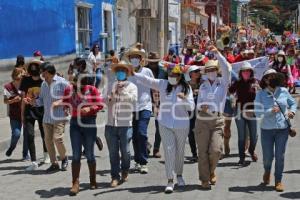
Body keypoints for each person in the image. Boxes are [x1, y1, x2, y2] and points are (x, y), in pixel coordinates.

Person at [133, 62, 195, 193]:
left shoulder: (186, 88)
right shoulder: (163, 84)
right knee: (169, 150)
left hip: (181, 124)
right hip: (164, 123)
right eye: (170, 74)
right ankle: (170, 180)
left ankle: (179, 175)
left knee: (179, 152)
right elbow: (147, 80)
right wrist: (133, 73)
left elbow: (192, 107)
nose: (172, 77)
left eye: (175, 75)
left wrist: (184, 99)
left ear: (180, 76)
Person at [58, 72, 104, 196]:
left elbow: (100, 104)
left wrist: (90, 108)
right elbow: (65, 101)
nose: (81, 88)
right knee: (76, 153)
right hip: (75, 123)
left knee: (89, 153)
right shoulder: (69, 89)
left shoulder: (92, 90)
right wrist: (65, 107)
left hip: (89, 122)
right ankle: (75, 183)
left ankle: (93, 179)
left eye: (83, 86)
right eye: (78, 85)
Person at [194, 45, 231, 189]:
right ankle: (204, 178)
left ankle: (211, 171)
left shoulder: (223, 83)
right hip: (202, 118)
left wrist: (218, 54)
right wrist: (201, 106)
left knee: (216, 150)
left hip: (217, 119)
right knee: (202, 151)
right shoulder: (202, 86)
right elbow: (197, 104)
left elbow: (227, 69)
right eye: (208, 70)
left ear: (217, 71)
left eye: (213, 70)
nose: (211, 72)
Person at [254, 69, 297, 192]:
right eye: (269, 77)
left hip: (282, 129)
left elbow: (293, 103)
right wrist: (270, 111)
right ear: (265, 80)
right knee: (268, 157)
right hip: (266, 130)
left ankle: (278, 180)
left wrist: (292, 111)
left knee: (280, 156)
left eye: (274, 76)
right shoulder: (260, 94)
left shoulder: (283, 91)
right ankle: (267, 171)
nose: (271, 78)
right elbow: (257, 113)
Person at [28, 63, 69, 172]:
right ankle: (54, 163)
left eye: (43, 72)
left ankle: (64, 158)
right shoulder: (43, 84)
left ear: (49, 71)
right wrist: (33, 102)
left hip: (59, 116)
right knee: (48, 141)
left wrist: (59, 102)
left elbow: (70, 97)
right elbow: (41, 100)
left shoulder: (62, 82)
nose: (42, 74)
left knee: (57, 138)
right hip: (46, 118)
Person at [105, 61, 138, 187]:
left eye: (123, 71)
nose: (120, 73)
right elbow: (104, 101)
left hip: (125, 124)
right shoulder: (110, 85)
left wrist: (122, 91)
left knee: (125, 151)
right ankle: (115, 176)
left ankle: (125, 169)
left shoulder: (132, 86)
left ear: (127, 73)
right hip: (110, 124)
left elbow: (133, 101)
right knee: (113, 152)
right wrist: (110, 97)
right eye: (118, 70)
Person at [126, 47, 154, 174]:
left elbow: (154, 86)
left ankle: (143, 162)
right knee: (134, 136)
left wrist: (157, 104)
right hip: (131, 108)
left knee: (141, 133)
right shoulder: (126, 73)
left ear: (141, 59)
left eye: (137, 57)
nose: (135, 59)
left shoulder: (147, 71)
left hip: (145, 106)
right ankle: (137, 159)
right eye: (132, 57)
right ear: (129, 59)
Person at [20, 59, 49, 171]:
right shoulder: (25, 80)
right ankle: (34, 161)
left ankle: (46, 155)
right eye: (31, 67)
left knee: (44, 134)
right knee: (30, 135)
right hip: (29, 112)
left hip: (42, 111)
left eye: (36, 67)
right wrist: (22, 114)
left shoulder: (44, 81)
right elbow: (23, 97)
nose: (33, 69)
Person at [229, 62, 258, 165]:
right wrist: (233, 99)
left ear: (251, 72)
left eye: (248, 71)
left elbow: (260, 94)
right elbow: (230, 92)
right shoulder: (237, 82)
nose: (246, 72)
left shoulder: (255, 82)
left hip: (252, 111)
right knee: (242, 136)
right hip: (239, 111)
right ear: (241, 72)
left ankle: (251, 150)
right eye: (244, 71)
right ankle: (241, 157)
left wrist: (257, 89)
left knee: (254, 136)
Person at [145, 52, 167, 158]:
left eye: (155, 62)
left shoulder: (164, 71)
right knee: (142, 127)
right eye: (151, 62)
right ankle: (146, 144)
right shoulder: (143, 71)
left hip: (160, 101)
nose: (153, 64)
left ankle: (156, 148)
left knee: (160, 127)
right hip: (145, 101)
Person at [3, 68, 26, 157]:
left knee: (27, 135)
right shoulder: (8, 87)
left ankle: (25, 154)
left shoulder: (26, 85)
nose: (22, 76)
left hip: (26, 115)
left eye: (23, 74)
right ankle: (12, 147)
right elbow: (5, 101)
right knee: (16, 134)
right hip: (15, 115)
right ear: (15, 75)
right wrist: (13, 100)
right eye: (20, 74)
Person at [185, 65, 202, 162]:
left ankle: (202, 153)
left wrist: (200, 92)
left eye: (198, 71)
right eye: (195, 71)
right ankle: (194, 153)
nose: (198, 73)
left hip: (201, 112)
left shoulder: (203, 84)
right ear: (190, 74)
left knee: (201, 133)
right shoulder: (185, 85)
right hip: (189, 112)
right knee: (191, 133)